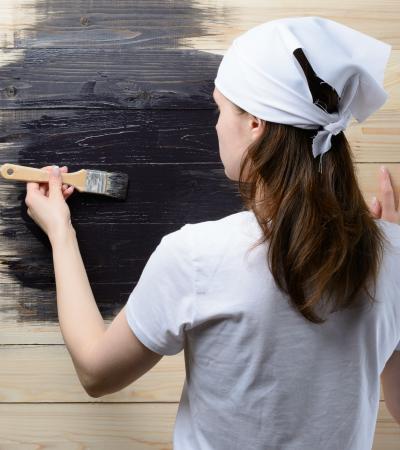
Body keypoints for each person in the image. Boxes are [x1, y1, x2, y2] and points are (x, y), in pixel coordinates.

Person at [24, 16, 399, 450]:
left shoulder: (197, 255)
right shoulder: (390, 255)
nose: (216, 125)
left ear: (255, 123)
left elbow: (96, 372)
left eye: (220, 109)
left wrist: (60, 230)